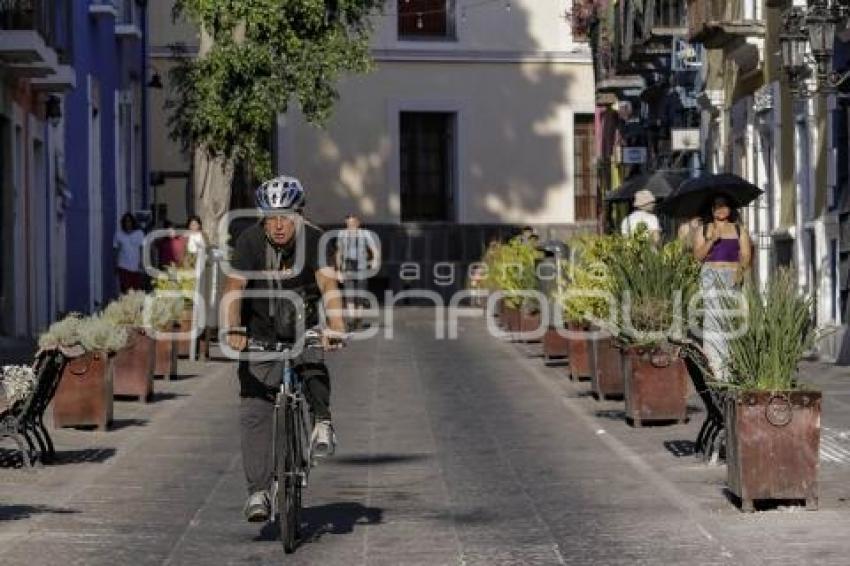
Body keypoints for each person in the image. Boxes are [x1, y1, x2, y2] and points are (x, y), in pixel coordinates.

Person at [222, 174, 348, 523]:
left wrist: (336, 326)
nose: (278, 226)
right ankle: (258, 491)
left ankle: (322, 421)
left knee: (310, 358)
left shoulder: (316, 240)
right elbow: (234, 287)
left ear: (300, 215)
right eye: (271, 218)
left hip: (299, 323)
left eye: (286, 217)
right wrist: (233, 328)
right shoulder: (248, 240)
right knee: (253, 409)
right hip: (257, 329)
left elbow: (329, 286)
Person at [693, 194, 752, 381]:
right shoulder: (703, 230)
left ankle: (732, 367)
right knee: (713, 321)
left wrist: (740, 272)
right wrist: (711, 240)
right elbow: (698, 257)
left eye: (724, 206)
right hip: (711, 276)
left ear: (730, 209)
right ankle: (717, 370)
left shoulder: (738, 229)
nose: (721, 210)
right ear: (711, 209)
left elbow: (746, 255)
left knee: (730, 320)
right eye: (717, 206)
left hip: (731, 276)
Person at [336, 214, 379, 329]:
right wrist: (339, 271)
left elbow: (374, 249)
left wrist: (375, 259)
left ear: (358, 223)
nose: (351, 226)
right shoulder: (342, 234)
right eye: (348, 224)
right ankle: (352, 320)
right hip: (348, 268)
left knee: (360, 296)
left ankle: (358, 320)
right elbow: (339, 253)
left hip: (361, 268)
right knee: (349, 295)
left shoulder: (365, 234)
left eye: (353, 223)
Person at [114, 213, 146, 293]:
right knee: (126, 291)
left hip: (136, 267)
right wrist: (115, 264)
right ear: (123, 223)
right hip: (123, 266)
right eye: (126, 221)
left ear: (133, 222)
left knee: (136, 291)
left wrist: (142, 262)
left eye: (129, 221)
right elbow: (116, 250)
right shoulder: (119, 234)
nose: (128, 223)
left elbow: (142, 248)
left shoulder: (139, 233)